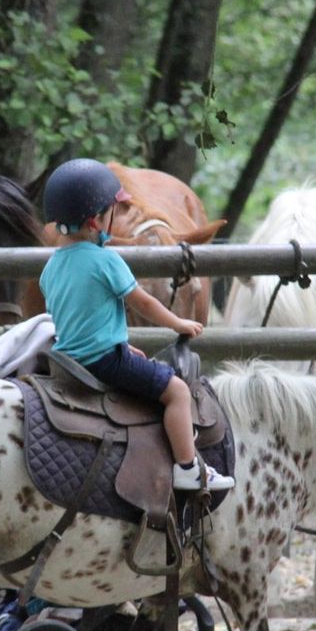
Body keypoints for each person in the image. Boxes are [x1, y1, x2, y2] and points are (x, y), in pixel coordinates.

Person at [38, 158, 233, 492]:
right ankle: (188, 468)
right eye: (114, 211)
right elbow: (143, 302)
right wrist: (179, 323)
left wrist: (118, 341)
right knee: (176, 392)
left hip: (68, 360)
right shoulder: (107, 260)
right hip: (103, 361)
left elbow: (74, 314)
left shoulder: (50, 267)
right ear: (95, 220)